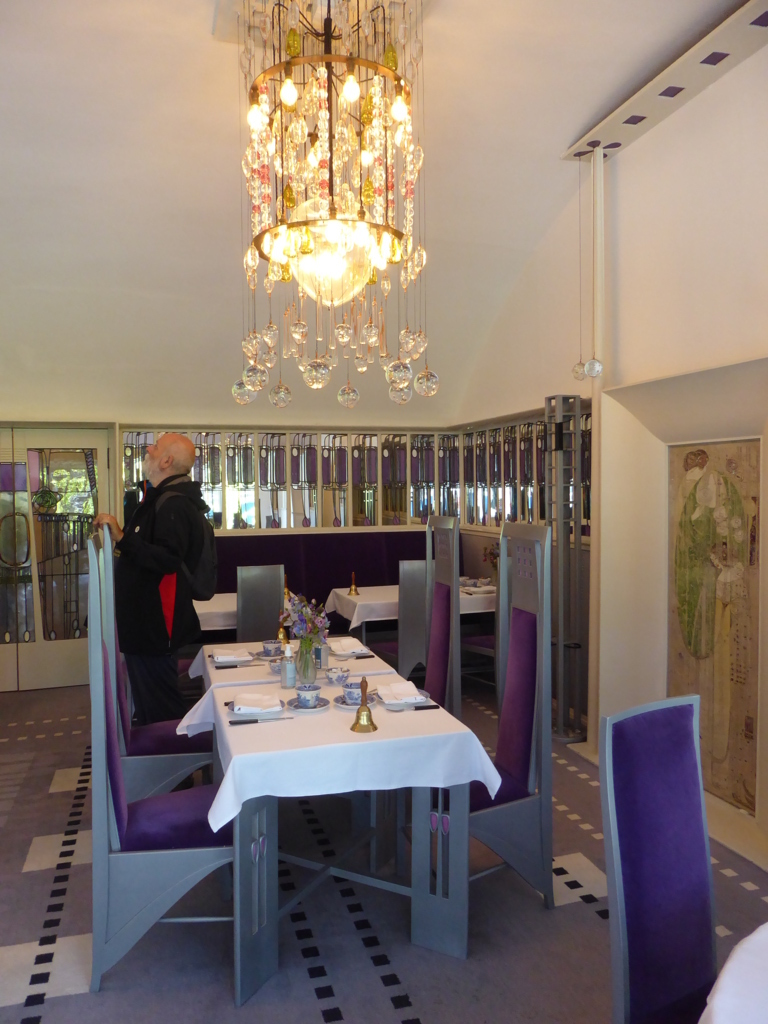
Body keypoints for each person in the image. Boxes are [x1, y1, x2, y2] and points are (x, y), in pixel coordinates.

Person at [93, 432, 207, 725]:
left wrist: (122, 537)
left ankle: (176, 755)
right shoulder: (160, 499)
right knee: (151, 710)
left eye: (155, 446)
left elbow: (168, 559)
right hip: (145, 628)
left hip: (154, 629)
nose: (148, 448)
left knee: (162, 716)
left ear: (167, 461)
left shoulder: (173, 504)